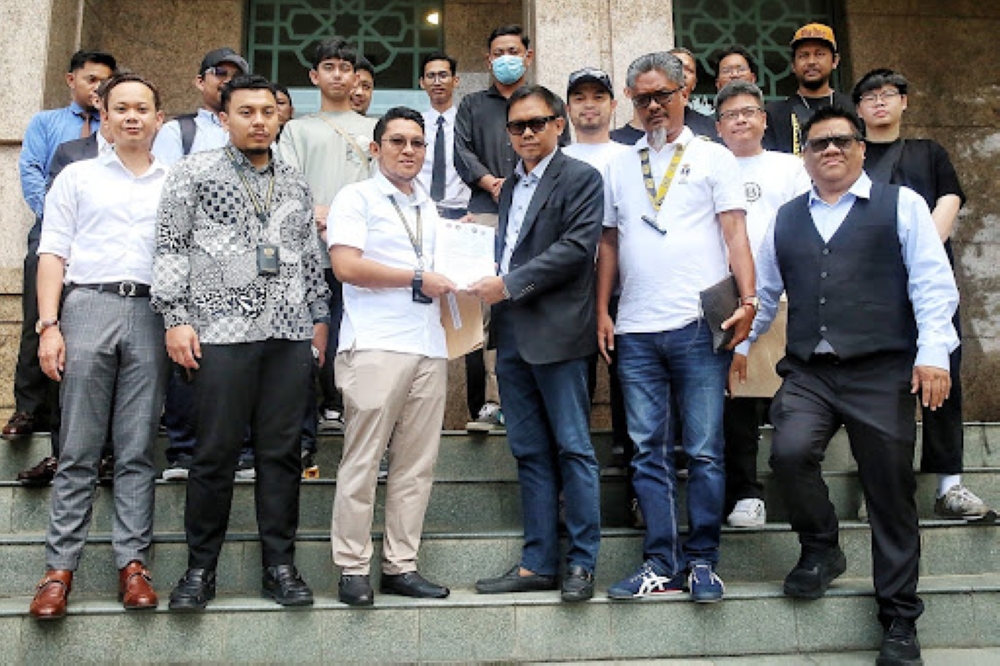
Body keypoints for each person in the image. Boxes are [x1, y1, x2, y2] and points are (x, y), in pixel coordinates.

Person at [749, 105, 959, 666]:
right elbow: (767, 294)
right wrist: (740, 347)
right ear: (806, 157)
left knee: (890, 492)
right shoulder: (787, 216)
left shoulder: (902, 205)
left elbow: (932, 283)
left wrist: (933, 352)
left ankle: (898, 620)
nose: (831, 151)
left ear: (862, 148)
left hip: (881, 370)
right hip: (810, 371)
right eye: (818, 144)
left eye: (842, 141)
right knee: (789, 455)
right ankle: (821, 548)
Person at [153, 74, 330, 612]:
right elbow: (169, 246)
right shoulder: (192, 173)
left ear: (280, 119)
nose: (258, 121)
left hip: (287, 333)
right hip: (221, 332)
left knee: (282, 454)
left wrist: (318, 320)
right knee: (215, 452)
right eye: (246, 112)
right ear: (224, 118)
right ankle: (199, 570)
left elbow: (309, 256)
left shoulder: (296, 183)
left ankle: (280, 566)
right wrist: (175, 318)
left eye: (267, 112)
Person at [598, 52, 755, 603]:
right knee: (647, 450)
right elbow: (609, 243)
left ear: (684, 92)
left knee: (707, 450)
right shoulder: (619, 163)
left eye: (662, 94)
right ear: (631, 103)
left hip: (697, 325)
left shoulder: (712, 155)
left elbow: (736, 233)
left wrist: (750, 298)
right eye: (641, 98)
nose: (652, 106)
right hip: (637, 329)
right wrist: (602, 310)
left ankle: (704, 562)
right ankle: (660, 562)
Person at [29, 72, 168, 620]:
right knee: (80, 448)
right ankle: (58, 570)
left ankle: (133, 566)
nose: (132, 116)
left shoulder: (174, 181)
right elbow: (52, 254)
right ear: (103, 117)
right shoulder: (78, 177)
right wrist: (48, 325)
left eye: (143, 108)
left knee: (136, 448)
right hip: (87, 305)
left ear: (159, 118)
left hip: (153, 312)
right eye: (122, 108)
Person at [470, 85, 604, 603]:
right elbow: (506, 251)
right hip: (513, 334)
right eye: (517, 126)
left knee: (573, 447)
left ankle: (581, 564)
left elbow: (575, 249)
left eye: (537, 123)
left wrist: (508, 283)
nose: (527, 133)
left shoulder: (581, 178)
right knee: (528, 451)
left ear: (558, 125)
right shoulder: (509, 188)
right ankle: (537, 563)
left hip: (559, 333)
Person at [853, 68, 995, 522]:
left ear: (904, 102)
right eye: (870, 97)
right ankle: (877, 482)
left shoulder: (928, 152)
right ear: (858, 108)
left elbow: (949, 202)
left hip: (929, 286)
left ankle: (949, 485)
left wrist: (916, 256)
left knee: (941, 381)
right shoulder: (851, 157)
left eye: (888, 94)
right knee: (875, 389)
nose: (879, 102)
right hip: (870, 291)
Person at [328, 106, 454, 606]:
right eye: (397, 141)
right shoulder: (356, 197)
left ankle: (401, 565)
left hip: (429, 344)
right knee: (362, 461)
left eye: (417, 143)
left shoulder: (430, 207)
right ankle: (352, 568)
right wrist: (417, 278)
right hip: (376, 344)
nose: (408, 151)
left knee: (415, 466)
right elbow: (346, 266)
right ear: (376, 148)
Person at [11, 49, 116, 487]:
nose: (97, 88)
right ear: (70, 80)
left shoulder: (124, 134)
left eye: (104, 81)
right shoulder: (48, 124)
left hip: (100, 243)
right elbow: (31, 170)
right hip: (52, 230)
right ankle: (29, 407)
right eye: (90, 79)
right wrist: (56, 218)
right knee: (41, 317)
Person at [152, 46, 251, 481]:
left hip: (244, 263)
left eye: (235, 75)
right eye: (218, 73)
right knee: (189, 357)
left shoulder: (255, 129)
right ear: (200, 81)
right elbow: (172, 198)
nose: (225, 80)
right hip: (194, 260)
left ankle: (244, 453)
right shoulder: (180, 131)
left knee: (247, 359)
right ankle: (185, 452)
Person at [716, 81, 810, 528]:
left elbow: (803, 222)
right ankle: (746, 493)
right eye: (731, 114)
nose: (741, 120)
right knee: (736, 399)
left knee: (788, 397)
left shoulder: (788, 166)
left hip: (784, 295)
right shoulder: (709, 165)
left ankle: (793, 486)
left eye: (749, 111)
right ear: (718, 126)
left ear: (764, 119)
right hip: (727, 297)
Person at [279, 37, 377, 458]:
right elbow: (284, 186)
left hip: (362, 261)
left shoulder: (378, 130)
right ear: (314, 76)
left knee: (363, 352)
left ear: (357, 77)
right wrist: (316, 212)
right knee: (305, 351)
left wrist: (342, 218)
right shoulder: (297, 130)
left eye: (345, 67)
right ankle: (301, 442)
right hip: (307, 260)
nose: (338, 74)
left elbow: (385, 190)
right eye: (329, 66)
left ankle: (369, 443)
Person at [455, 24, 541, 432]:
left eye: (514, 50)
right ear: (489, 60)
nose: (506, 57)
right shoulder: (472, 104)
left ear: (528, 55)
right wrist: (491, 183)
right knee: (488, 309)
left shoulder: (542, 104)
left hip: (536, 212)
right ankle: (492, 401)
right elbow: (462, 152)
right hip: (484, 213)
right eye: (498, 51)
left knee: (533, 299)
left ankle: (532, 398)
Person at [561, 68, 631, 477]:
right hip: (569, 291)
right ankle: (576, 474)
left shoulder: (630, 158)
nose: (589, 104)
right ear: (567, 108)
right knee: (574, 385)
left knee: (628, 381)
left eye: (598, 96)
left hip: (627, 291)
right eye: (580, 97)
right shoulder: (558, 159)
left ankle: (629, 464)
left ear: (613, 104)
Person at [763, 23, 853, 155]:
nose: (811, 61)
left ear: (835, 61)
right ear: (793, 65)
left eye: (820, 54)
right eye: (803, 55)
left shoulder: (853, 108)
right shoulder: (774, 113)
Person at [669, 47, 718, 140]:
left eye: (689, 70)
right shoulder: (649, 122)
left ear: (694, 83)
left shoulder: (709, 126)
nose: (682, 74)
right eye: (676, 67)